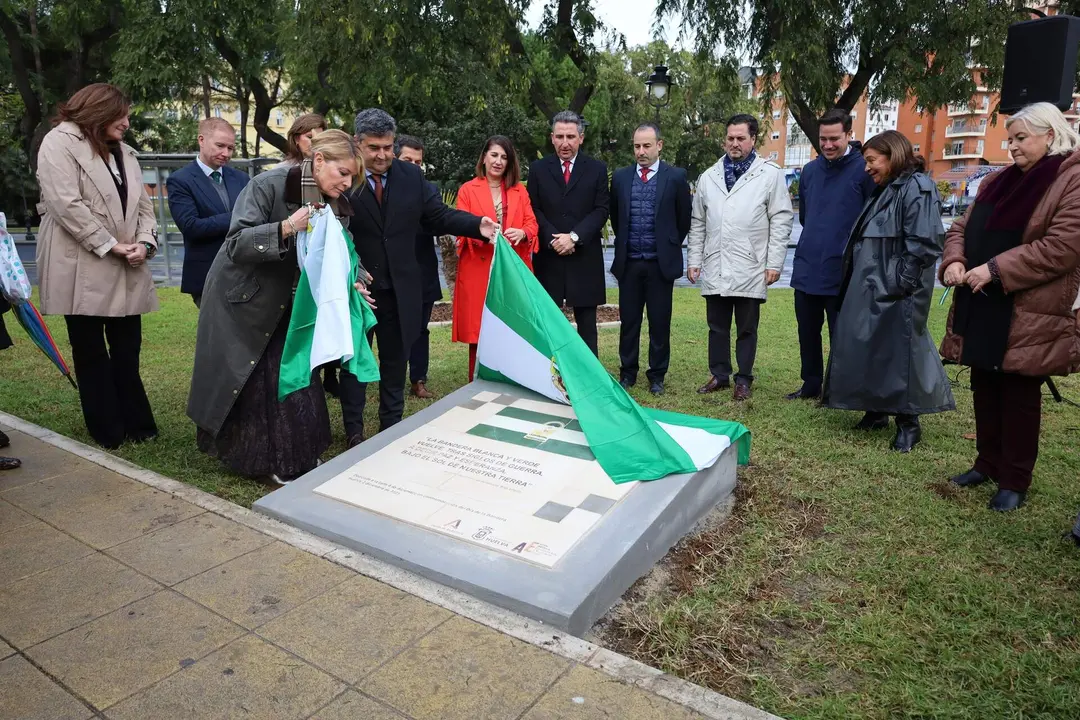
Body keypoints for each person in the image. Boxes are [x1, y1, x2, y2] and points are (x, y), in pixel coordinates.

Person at [188, 130, 371, 485]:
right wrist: (287, 226)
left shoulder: (335, 203)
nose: (348, 184)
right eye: (343, 173)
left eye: (352, 177)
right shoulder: (266, 186)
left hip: (294, 305)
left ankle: (300, 454)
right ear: (319, 161)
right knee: (260, 383)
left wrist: (356, 278)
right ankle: (263, 460)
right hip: (245, 301)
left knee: (298, 376)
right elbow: (236, 244)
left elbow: (340, 251)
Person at [938, 102, 1080, 511]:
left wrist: (995, 269)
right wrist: (955, 260)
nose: (1012, 146)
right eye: (1010, 138)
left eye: (1021, 138)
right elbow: (961, 227)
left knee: (1019, 393)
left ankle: (1014, 479)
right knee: (984, 384)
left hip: (1028, 307)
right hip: (982, 302)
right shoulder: (996, 180)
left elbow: (1062, 247)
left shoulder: (1070, 178)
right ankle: (986, 462)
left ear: (1050, 135)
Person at [342, 109, 497, 445]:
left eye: (387, 147)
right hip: (358, 288)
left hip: (401, 289)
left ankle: (390, 428)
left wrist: (476, 225)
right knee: (355, 362)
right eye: (373, 148)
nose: (382, 155)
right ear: (358, 143)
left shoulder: (411, 177)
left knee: (396, 362)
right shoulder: (344, 177)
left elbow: (438, 215)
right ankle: (353, 430)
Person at [36, 83, 159, 450]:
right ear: (99, 112)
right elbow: (65, 204)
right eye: (121, 116)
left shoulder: (125, 152)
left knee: (127, 348)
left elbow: (144, 207)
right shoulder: (58, 143)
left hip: (127, 260)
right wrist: (109, 244)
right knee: (90, 351)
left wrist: (145, 242)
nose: (126, 123)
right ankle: (107, 429)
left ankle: (138, 423)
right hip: (83, 262)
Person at [822, 130, 954, 452]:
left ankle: (909, 423)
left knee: (902, 352)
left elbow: (924, 242)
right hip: (874, 284)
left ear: (892, 155)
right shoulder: (887, 189)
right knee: (872, 346)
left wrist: (902, 284)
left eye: (872, 160)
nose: (867, 167)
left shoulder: (917, 187)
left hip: (895, 288)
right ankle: (876, 410)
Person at [687, 114, 792, 402]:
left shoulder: (770, 175)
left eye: (741, 138)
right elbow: (698, 222)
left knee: (746, 327)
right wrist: (694, 260)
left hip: (751, 263)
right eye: (730, 138)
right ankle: (719, 375)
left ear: (753, 139)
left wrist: (774, 263)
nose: (734, 143)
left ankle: (743, 378)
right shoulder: (709, 177)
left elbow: (781, 219)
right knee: (716, 326)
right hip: (716, 261)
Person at [787, 109, 876, 400]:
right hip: (808, 266)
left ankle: (839, 389)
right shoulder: (810, 171)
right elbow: (806, 217)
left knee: (843, 335)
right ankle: (811, 383)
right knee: (807, 331)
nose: (827, 145)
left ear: (849, 134)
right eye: (822, 139)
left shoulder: (864, 170)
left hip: (844, 271)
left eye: (834, 139)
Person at [609, 123, 691, 395]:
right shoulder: (620, 178)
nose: (641, 151)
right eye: (636, 146)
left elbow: (683, 219)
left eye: (646, 145)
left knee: (659, 323)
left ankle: (657, 375)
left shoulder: (676, 177)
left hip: (660, 265)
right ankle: (627, 373)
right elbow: (616, 217)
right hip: (629, 263)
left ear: (659, 145)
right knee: (629, 323)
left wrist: (668, 244)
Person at [454, 136, 539, 380]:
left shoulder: (519, 190)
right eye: (494, 155)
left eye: (504, 157)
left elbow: (532, 224)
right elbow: (461, 225)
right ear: (484, 157)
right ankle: (477, 380)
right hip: (478, 267)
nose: (498, 161)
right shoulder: (468, 189)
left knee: (514, 326)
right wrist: (482, 235)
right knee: (479, 329)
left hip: (511, 268)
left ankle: (514, 378)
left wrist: (523, 233)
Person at [527, 111, 610, 356]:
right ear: (552, 138)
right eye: (560, 136)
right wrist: (554, 239)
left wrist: (573, 237)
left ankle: (587, 373)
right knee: (548, 324)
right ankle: (547, 371)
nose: (565, 143)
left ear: (581, 138)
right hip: (549, 258)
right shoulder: (538, 169)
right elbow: (533, 208)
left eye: (571, 137)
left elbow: (601, 209)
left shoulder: (596, 169)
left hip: (584, 257)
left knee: (587, 326)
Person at [166, 117, 250, 308]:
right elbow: (191, 227)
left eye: (230, 148)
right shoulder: (180, 180)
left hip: (243, 272)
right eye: (220, 146)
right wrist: (237, 218)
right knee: (216, 327)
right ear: (201, 140)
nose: (226, 153)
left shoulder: (241, 178)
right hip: (206, 274)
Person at [396, 135, 441, 399]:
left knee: (420, 328)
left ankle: (418, 379)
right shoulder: (382, 188)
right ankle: (388, 378)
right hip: (391, 272)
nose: (413, 166)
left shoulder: (429, 190)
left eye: (418, 162)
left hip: (423, 269)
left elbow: (436, 222)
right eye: (407, 160)